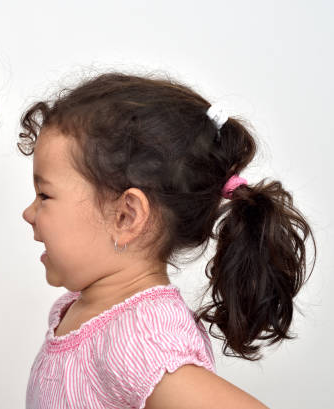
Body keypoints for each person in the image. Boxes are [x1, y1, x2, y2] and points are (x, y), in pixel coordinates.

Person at [19, 72, 314, 409]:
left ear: (126, 216)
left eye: (44, 195)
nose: (29, 212)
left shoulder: (140, 340)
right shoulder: (78, 308)